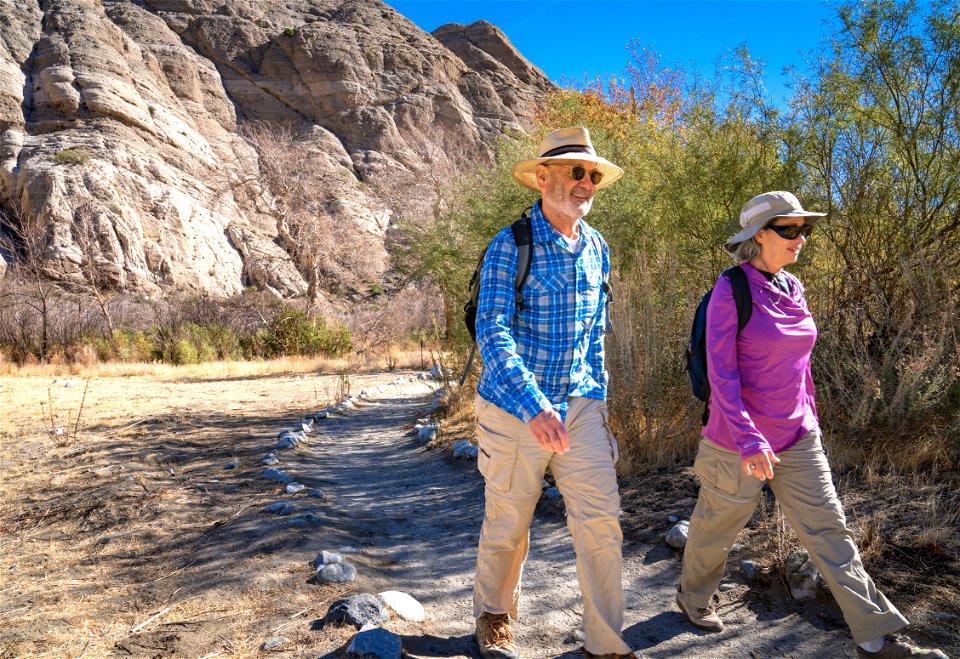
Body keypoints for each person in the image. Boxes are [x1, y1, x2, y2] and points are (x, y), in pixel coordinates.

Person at [676, 191, 948, 659]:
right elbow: (722, 375)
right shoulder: (731, 289)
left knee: (831, 533)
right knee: (714, 530)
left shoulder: (793, 286)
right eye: (789, 229)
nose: (800, 238)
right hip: (736, 441)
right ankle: (692, 598)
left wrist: (811, 418)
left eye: (805, 229)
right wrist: (748, 439)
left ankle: (874, 637)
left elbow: (800, 364)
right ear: (759, 235)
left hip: (798, 436)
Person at [471, 127, 635, 659]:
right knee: (509, 522)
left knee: (602, 522)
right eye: (574, 171)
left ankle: (607, 644)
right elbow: (492, 329)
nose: (586, 183)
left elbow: (595, 335)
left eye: (592, 174)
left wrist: (598, 403)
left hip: (581, 405)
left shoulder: (599, 247)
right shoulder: (509, 245)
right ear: (543, 178)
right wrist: (533, 402)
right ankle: (494, 614)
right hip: (513, 408)